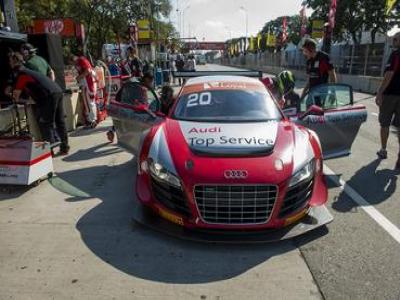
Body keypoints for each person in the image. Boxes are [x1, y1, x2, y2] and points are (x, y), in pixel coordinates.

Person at [9, 52, 69, 155]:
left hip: (49, 96)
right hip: (57, 90)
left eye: (10, 61)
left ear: (14, 62)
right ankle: (64, 147)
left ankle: (49, 152)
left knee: (46, 123)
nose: (9, 63)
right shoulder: (29, 71)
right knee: (60, 121)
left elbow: (16, 96)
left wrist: (14, 95)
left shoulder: (22, 74)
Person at [375, 32, 400, 166]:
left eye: (395, 39)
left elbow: (389, 74)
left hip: (391, 94)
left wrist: (379, 92)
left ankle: (383, 150)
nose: (393, 41)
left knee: (384, 123)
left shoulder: (396, 54)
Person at [72, 54, 98, 128]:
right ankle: (90, 120)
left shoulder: (82, 60)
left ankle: (93, 120)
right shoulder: (79, 62)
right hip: (86, 84)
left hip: (89, 83)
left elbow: (88, 70)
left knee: (90, 102)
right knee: (87, 103)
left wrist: (79, 77)